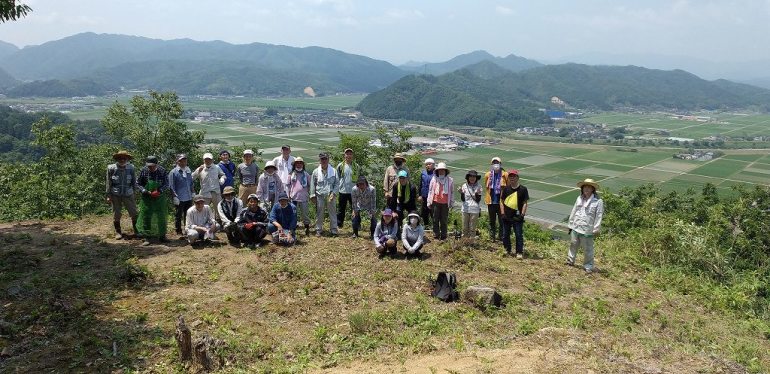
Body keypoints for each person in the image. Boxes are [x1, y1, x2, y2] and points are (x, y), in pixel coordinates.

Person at [567, 179, 604, 274]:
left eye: (589, 187)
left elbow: (599, 215)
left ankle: (588, 266)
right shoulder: (579, 198)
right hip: (576, 225)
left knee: (588, 248)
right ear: (582, 188)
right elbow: (574, 210)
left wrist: (596, 228)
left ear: (592, 189)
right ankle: (570, 261)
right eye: (585, 187)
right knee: (573, 244)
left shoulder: (598, 201)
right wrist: (570, 224)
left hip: (588, 229)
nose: (586, 189)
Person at [106, 150, 139, 240]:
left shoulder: (131, 168)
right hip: (115, 193)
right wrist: (108, 195)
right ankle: (118, 232)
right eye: (120, 158)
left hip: (128, 193)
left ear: (127, 159)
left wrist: (135, 193)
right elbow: (108, 182)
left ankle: (137, 231)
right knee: (116, 213)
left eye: (124, 158)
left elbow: (134, 181)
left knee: (134, 213)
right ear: (117, 158)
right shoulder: (111, 168)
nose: (122, 160)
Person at [137, 155, 169, 245]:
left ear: (157, 164)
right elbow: (138, 183)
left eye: (152, 166)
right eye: (148, 166)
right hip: (147, 198)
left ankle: (162, 236)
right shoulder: (143, 170)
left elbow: (167, 183)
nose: (150, 167)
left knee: (161, 215)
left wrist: (159, 190)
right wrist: (144, 191)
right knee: (146, 215)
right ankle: (147, 237)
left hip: (159, 198)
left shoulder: (162, 171)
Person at [500, 170, 529, 258]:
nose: (512, 178)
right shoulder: (506, 189)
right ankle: (507, 250)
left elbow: (525, 203)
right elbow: (501, 201)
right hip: (507, 216)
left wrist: (522, 215)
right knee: (505, 235)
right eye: (510, 176)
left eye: (514, 176)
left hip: (517, 217)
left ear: (517, 178)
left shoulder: (523, 189)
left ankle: (519, 252)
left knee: (519, 235)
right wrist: (502, 214)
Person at [310, 152, 339, 236]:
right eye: (322, 159)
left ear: (328, 159)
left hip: (330, 195)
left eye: (325, 159)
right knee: (319, 212)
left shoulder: (333, 171)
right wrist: (312, 195)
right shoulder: (315, 172)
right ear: (319, 160)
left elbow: (337, 184)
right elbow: (313, 184)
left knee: (332, 212)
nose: (324, 160)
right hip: (320, 195)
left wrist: (333, 193)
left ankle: (334, 230)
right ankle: (318, 229)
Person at [192, 153, 226, 220]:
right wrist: (198, 171)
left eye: (209, 159)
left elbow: (223, 175)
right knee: (202, 208)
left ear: (212, 160)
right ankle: (201, 221)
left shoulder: (216, 167)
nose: (207, 161)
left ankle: (220, 222)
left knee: (219, 208)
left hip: (216, 192)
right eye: (206, 159)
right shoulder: (200, 168)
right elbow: (192, 178)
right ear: (203, 160)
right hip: (205, 192)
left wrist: (222, 179)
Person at [168, 153, 195, 236]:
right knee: (178, 215)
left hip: (188, 197)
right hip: (179, 198)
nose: (183, 162)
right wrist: (174, 197)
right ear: (177, 162)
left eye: (184, 161)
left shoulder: (188, 170)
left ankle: (187, 230)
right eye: (181, 161)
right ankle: (178, 231)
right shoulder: (173, 172)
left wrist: (193, 192)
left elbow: (191, 183)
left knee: (188, 215)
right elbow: (171, 186)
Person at [427, 162, 454, 240]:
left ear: (445, 171)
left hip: (445, 203)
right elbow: (430, 190)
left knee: (444, 220)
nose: (441, 172)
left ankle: (444, 234)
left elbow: (452, 192)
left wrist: (452, 202)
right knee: (435, 219)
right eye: (440, 170)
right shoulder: (434, 179)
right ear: (437, 171)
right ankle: (436, 233)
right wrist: (429, 201)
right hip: (435, 202)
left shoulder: (450, 180)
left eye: (443, 170)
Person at [484, 157, 508, 242]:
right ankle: (492, 236)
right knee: (492, 220)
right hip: (491, 201)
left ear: (500, 164)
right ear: (491, 164)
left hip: (501, 202)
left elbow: (507, 187)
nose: (496, 164)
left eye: (497, 162)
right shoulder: (488, 175)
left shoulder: (505, 174)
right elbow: (487, 187)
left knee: (502, 220)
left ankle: (501, 237)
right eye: (494, 163)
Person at [388, 170, 417, 235]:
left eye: (403, 178)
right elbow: (394, 198)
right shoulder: (396, 185)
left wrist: (412, 212)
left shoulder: (412, 187)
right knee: (397, 214)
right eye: (400, 178)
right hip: (400, 202)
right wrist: (393, 211)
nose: (402, 180)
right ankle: (398, 230)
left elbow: (413, 201)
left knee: (413, 216)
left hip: (409, 203)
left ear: (407, 178)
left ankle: (411, 231)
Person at [288, 157, 312, 236]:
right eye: (297, 163)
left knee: (305, 213)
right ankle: (293, 228)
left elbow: (310, 185)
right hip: (293, 197)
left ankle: (307, 227)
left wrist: (309, 193)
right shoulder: (291, 174)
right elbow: (288, 185)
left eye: (300, 163)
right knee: (293, 214)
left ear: (302, 164)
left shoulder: (306, 174)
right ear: (295, 164)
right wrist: (288, 195)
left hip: (303, 197)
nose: (298, 164)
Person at [336, 148, 359, 228]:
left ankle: (356, 224)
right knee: (341, 209)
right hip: (342, 191)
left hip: (354, 191)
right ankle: (339, 224)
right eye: (347, 154)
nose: (348, 155)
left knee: (355, 208)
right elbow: (337, 178)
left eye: (350, 154)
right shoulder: (340, 166)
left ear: (352, 156)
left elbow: (359, 178)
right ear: (344, 155)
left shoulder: (356, 166)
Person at [460, 170, 483, 239]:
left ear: (476, 178)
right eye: (471, 176)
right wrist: (461, 193)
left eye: (474, 177)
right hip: (465, 209)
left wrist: (476, 194)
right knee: (464, 227)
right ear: (468, 177)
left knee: (472, 228)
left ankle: (471, 242)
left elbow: (478, 200)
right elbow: (463, 199)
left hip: (474, 210)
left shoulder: (479, 186)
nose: (472, 178)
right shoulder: (464, 186)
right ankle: (464, 242)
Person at [418, 158, 435, 228]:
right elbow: (420, 185)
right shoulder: (423, 173)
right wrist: (420, 195)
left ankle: (435, 227)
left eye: (429, 164)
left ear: (433, 165)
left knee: (433, 213)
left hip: (433, 197)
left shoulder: (436, 173)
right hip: (424, 196)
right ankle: (426, 226)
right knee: (424, 213)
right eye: (426, 164)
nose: (428, 166)